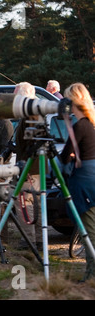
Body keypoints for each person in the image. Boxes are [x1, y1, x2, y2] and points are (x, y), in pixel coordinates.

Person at [60, 83, 95, 281]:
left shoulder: (79, 126)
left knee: (88, 232)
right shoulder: (90, 124)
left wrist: (71, 156)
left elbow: (64, 156)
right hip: (91, 179)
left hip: (83, 184)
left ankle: (91, 275)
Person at [13, 82, 42, 250]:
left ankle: (29, 241)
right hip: (33, 166)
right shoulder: (34, 112)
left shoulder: (30, 115)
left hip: (30, 168)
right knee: (35, 203)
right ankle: (37, 240)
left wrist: (26, 166)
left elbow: (33, 144)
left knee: (25, 202)